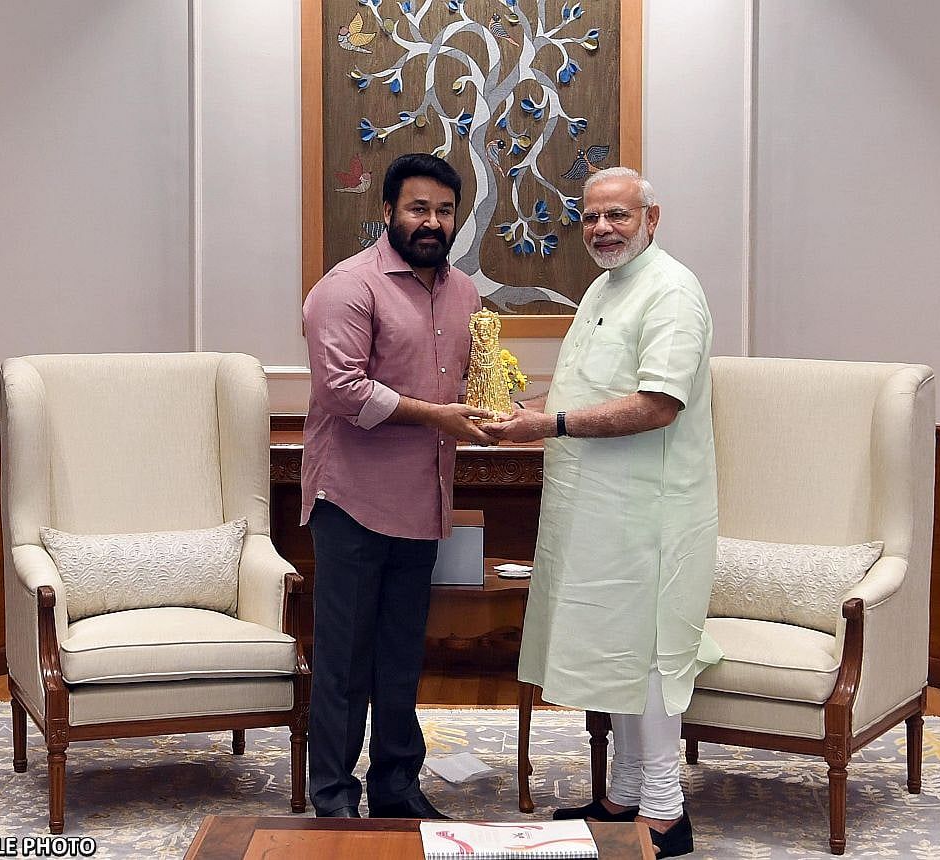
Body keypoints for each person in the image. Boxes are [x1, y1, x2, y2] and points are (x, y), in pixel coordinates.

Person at [483, 167, 719, 858]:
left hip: (651, 516)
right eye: (590, 217)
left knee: (650, 657)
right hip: (598, 510)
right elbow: (589, 389)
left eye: (618, 215)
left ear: (652, 218)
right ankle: (621, 797)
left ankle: (666, 815)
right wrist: (523, 412)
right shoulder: (604, 286)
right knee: (616, 649)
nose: (602, 229)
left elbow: (658, 404)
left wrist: (548, 424)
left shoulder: (672, 290)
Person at [301, 153, 496, 819]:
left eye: (444, 210)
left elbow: (466, 382)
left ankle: (395, 788)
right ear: (387, 212)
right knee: (344, 660)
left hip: (424, 501)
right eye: (418, 208)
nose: (432, 222)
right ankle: (333, 797)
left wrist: (496, 411)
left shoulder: (465, 294)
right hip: (352, 501)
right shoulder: (346, 287)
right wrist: (438, 416)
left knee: (400, 657)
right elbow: (341, 390)